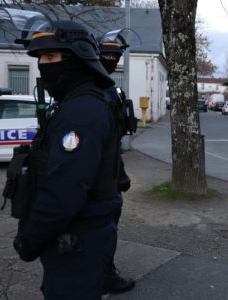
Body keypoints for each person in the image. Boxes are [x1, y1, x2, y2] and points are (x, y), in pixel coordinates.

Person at [12, 20, 122, 299]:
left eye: (51, 57)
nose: (43, 65)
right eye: (40, 58)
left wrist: (31, 238)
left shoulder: (81, 112)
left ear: (75, 59)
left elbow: (65, 189)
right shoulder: (75, 104)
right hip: (74, 236)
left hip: (78, 238)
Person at [98, 30, 136, 295]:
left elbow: (115, 137)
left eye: (115, 55)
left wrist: (119, 171)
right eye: (106, 54)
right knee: (104, 225)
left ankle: (101, 271)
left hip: (110, 167)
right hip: (99, 174)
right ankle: (104, 275)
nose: (111, 59)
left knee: (105, 224)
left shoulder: (108, 87)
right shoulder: (95, 88)